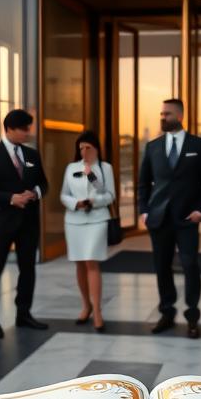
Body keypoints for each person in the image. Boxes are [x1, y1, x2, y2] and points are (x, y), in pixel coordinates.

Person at [138, 98, 201, 339]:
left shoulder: (198, 145)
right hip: (159, 219)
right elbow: (143, 183)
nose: (163, 118)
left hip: (187, 218)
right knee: (162, 267)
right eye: (161, 113)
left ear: (180, 116)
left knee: (190, 265)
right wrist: (145, 210)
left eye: (167, 114)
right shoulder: (152, 147)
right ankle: (167, 313)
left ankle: (192, 317)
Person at [0, 108, 49, 338]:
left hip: (28, 221)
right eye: (24, 128)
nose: (29, 132)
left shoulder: (32, 155)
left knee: (27, 269)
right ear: (9, 129)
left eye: (29, 128)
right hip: (1, 222)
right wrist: (10, 198)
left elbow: (44, 184)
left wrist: (34, 193)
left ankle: (24, 314)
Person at [60, 130, 116, 333]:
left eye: (88, 148)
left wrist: (93, 197)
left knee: (91, 262)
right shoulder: (70, 168)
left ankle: (98, 311)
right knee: (79, 264)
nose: (83, 151)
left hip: (97, 220)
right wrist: (76, 203)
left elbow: (108, 195)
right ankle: (86, 305)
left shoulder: (105, 168)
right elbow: (64, 195)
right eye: (81, 148)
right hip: (74, 221)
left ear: (96, 149)